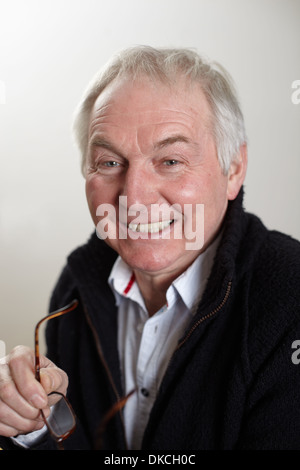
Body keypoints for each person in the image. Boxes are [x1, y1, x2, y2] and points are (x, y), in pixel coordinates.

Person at [0, 46, 299, 451]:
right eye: (109, 163)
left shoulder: (290, 298)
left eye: (171, 161)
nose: (134, 199)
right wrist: (34, 421)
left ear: (234, 170)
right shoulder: (76, 286)